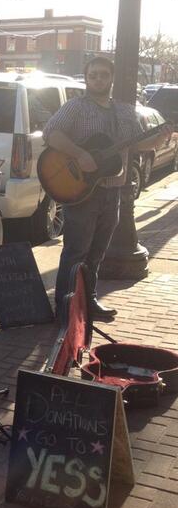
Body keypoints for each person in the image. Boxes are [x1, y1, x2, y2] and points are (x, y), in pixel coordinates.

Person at [43, 56, 172, 321]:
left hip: (113, 191)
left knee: (97, 253)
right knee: (76, 251)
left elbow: (137, 144)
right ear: (87, 78)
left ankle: (88, 301)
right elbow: (51, 133)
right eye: (93, 75)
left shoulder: (124, 111)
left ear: (111, 77)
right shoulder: (76, 107)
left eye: (103, 74)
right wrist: (80, 154)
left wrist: (160, 138)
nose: (99, 79)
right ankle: (65, 306)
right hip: (81, 192)